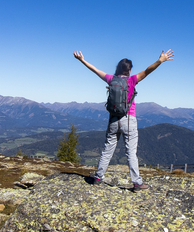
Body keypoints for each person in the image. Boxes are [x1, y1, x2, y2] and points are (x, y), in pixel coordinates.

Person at [73, 49, 174, 191]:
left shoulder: (111, 79)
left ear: (118, 68)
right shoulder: (132, 80)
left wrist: (82, 60)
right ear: (129, 70)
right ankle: (137, 183)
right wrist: (160, 61)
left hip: (113, 120)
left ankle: (98, 178)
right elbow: (147, 70)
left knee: (107, 149)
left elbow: (95, 70)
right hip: (129, 120)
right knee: (131, 153)